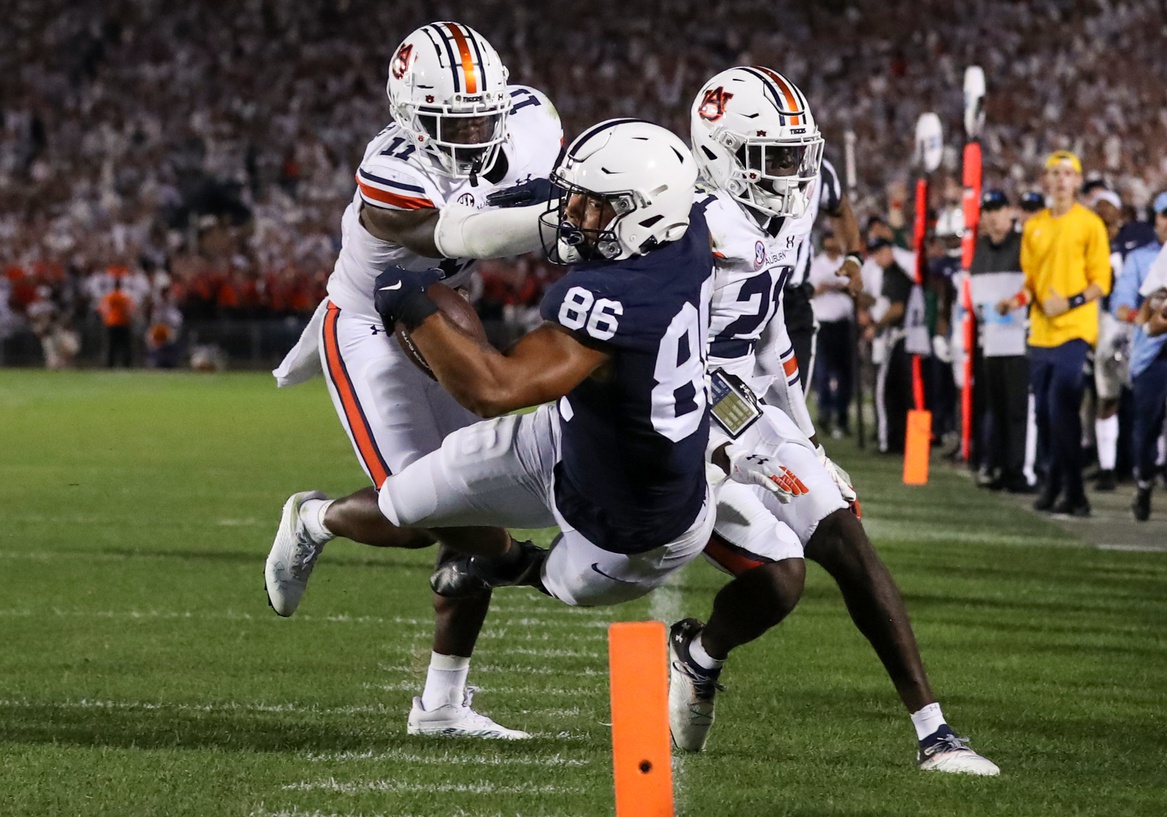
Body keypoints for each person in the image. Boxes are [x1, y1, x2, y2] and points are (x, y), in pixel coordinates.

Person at [268, 119, 777, 728]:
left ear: (644, 215)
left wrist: (412, 305)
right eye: (579, 199)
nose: (578, 215)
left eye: (598, 207)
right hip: (562, 437)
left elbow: (492, 389)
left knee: (555, 578)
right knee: (408, 504)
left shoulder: (619, 296)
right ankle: (316, 521)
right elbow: (585, 206)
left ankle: (517, 573)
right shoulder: (685, 227)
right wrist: (528, 202)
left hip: (629, 526)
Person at [670, 66, 997, 775]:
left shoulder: (771, 214)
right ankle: (514, 566)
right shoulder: (679, 221)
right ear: (718, 154)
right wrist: (697, 438)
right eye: (770, 157)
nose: (791, 173)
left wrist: (807, 440)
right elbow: (651, 346)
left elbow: (767, 338)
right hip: (670, 407)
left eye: (795, 154)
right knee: (619, 565)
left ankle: (934, 731)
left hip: (735, 398)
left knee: (840, 535)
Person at [264, 21, 563, 739]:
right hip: (369, 324)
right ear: (409, 116)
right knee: (419, 513)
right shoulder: (392, 168)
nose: (474, 129)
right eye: (452, 119)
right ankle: (314, 518)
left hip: (437, 322)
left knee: (474, 492)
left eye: (482, 112)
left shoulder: (528, 120)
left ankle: (441, 705)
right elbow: (454, 238)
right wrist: (556, 221)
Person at [998, 151, 1111, 517]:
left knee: (1062, 407)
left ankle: (1074, 492)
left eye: (1067, 173)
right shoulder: (1035, 227)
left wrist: (1071, 301)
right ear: (1046, 180)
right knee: (1047, 416)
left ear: (1077, 181)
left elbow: (1101, 283)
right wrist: (1013, 301)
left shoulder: (1090, 224)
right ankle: (1057, 486)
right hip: (1041, 333)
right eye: (1054, 173)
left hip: (1075, 330)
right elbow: (1032, 284)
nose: (1061, 179)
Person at [1087, 188, 1156, 490]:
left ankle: (1149, 465)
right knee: (1107, 393)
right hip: (1109, 319)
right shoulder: (1090, 239)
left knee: (1149, 397)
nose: (1101, 210)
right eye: (1096, 206)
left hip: (1143, 320)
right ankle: (1106, 466)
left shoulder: (1139, 238)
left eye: (1107, 205)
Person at [969, 190, 1032, 492]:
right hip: (992, 342)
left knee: (1018, 409)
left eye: (998, 208)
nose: (992, 215)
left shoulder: (1024, 245)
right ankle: (1002, 468)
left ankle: (1019, 471)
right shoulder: (980, 249)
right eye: (988, 209)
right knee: (998, 409)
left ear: (1010, 211)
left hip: (1021, 341)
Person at [1110, 192, 1167, 520]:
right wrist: (1147, 322)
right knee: (1146, 425)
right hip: (1153, 354)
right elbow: (1137, 310)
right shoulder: (1145, 258)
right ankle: (1144, 481)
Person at [870, 235, 918, 454]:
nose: (877, 258)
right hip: (910, 338)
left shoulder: (897, 274)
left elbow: (897, 308)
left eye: (880, 252)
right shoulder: (890, 274)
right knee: (903, 392)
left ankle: (888, 440)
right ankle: (904, 442)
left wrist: (877, 325)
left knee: (886, 391)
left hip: (900, 336)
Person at [809, 229, 855, 437]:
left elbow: (856, 289)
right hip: (824, 323)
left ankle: (842, 415)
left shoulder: (847, 263)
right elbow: (811, 290)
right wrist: (828, 286)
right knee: (824, 371)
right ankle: (825, 413)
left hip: (844, 322)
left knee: (844, 372)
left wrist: (842, 288)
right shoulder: (817, 264)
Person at [98, 277, 135, 367]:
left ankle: (110, 364)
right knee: (125, 346)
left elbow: (102, 309)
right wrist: (129, 318)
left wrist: (106, 318)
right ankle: (126, 364)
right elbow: (130, 309)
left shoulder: (109, 296)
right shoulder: (124, 297)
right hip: (123, 322)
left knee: (111, 346)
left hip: (111, 323)